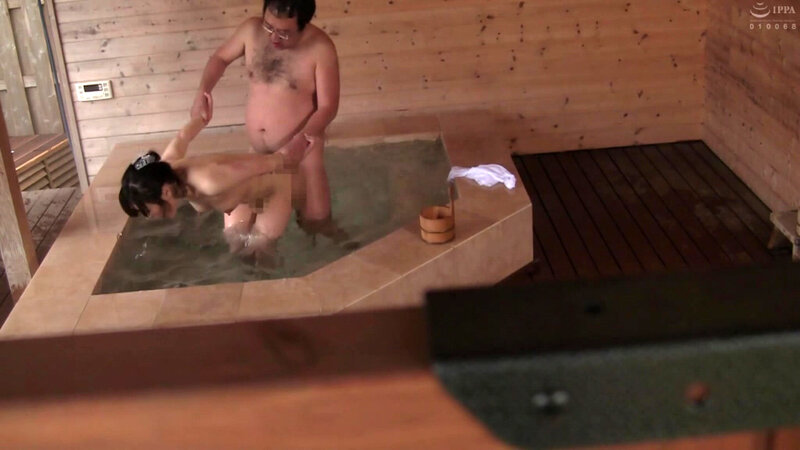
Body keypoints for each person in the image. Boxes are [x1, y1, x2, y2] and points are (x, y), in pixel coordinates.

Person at [189, 0, 340, 242]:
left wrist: (301, 139)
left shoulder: (321, 48)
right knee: (239, 236)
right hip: (259, 154)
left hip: (302, 155)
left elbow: (328, 106)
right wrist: (203, 91)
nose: (274, 38)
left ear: (303, 25)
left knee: (318, 227)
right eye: (269, 27)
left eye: (284, 32)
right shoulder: (251, 30)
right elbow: (220, 58)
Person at [118, 108, 298, 263]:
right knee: (237, 247)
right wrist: (201, 118)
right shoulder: (167, 169)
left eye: (146, 209)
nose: (149, 216)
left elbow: (253, 166)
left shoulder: (208, 182)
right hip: (243, 196)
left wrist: (285, 156)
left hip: (271, 191)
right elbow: (182, 137)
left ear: (165, 192)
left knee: (262, 250)